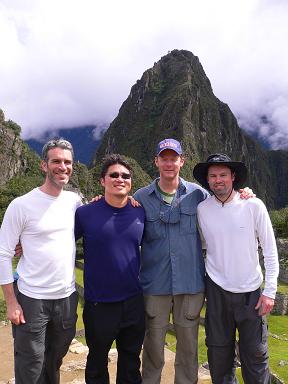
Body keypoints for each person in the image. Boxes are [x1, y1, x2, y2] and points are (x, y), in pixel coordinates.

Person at [0, 139, 81, 384]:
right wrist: (11, 302)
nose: (62, 166)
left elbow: (95, 224)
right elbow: (3, 253)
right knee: (30, 362)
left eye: (67, 162)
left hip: (66, 297)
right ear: (43, 165)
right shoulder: (21, 205)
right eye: (56, 161)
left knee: (54, 359)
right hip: (32, 298)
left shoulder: (75, 201)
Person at [193, 153, 279, 384]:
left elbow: (270, 250)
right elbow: (204, 244)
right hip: (217, 289)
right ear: (207, 180)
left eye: (223, 174)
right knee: (219, 353)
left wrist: (270, 291)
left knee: (255, 355)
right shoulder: (202, 209)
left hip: (250, 291)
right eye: (213, 176)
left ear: (233, 176)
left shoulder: (252, 205)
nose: (218, 180)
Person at [134, 138, 210, 384]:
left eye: (173, 158)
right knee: (153, 346)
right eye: (164, 158)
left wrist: (244, 195)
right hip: (154, 285)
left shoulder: (199, 195)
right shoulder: (141, 198)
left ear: (182, 161)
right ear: (156, 161)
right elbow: (122, 222)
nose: (169, 163)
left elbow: (224, 208)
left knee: (188, 348)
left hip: (190, 283)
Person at [74, 154, 145, 384]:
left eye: (125, 176)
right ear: (102, 181)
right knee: (97, 362)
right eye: (113, 175)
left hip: (133, 301)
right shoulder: (85, 213)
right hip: (99, 304)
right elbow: (60, 243)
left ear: (131, 182)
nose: (120, 179)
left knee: (131, 362)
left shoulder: (139, 211)